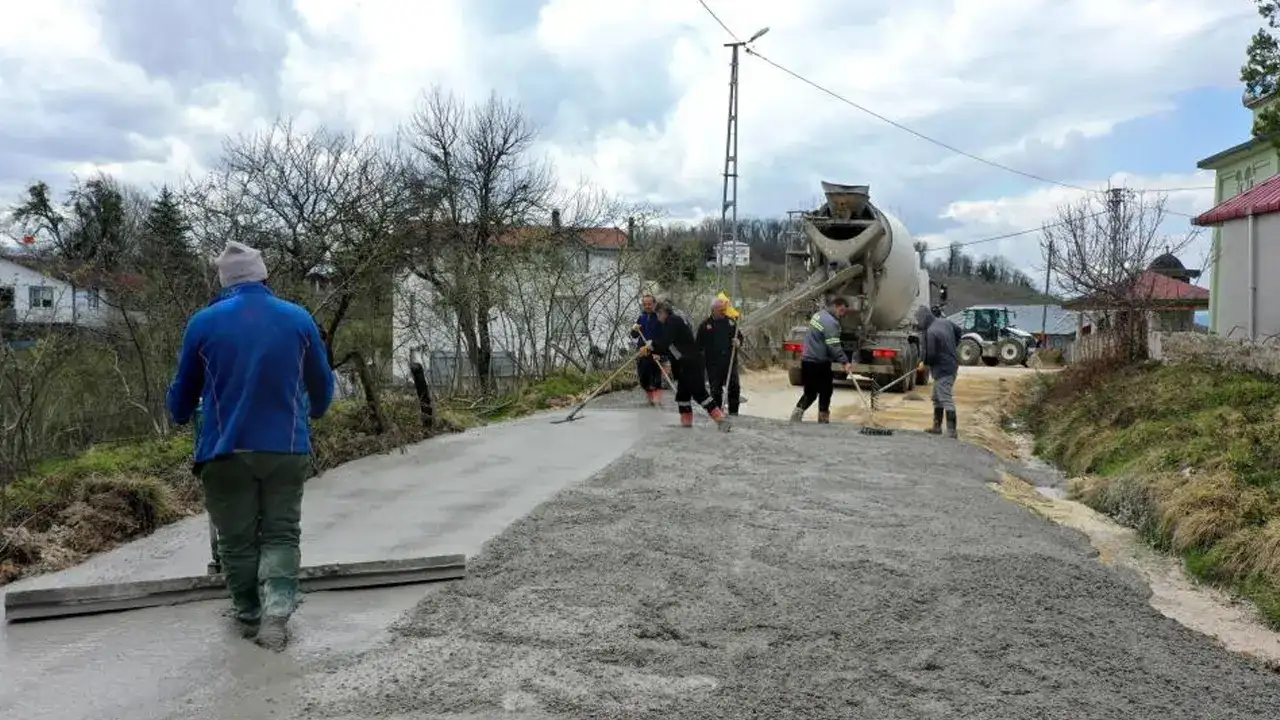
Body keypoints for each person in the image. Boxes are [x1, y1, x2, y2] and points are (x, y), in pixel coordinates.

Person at [166, 241, 335, 651]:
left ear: (224, 282)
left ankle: (249, 613)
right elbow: (323, 388)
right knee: (281, 533)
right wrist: (311, 412)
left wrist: (181, 412)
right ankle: (277, 612)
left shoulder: (203, 324)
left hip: (226, 452)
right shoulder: (298, 319)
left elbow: (182, 396)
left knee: (236, 541)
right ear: (264, 277)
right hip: (286, 449)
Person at [644, 299, 730, 431]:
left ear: (663, 312)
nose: (658, 318)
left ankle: (720, 419)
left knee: (699, 393)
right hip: (683, 364)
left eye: (658, 315)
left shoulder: (673, 321)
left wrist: (652, 346)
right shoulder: (671, 322)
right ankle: (686, 424)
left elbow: (666, 341)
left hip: (691, 363)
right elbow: (671, 347)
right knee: (683, 395)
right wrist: (656, 351)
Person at [791, 297, 853, 424]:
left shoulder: (819, 315)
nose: (842, 315)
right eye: (841, 311)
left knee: (810, 392)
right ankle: (823, 418)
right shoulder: (831, 322)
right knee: (826, 390)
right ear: (835, 306)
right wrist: (845, 362)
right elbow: (834, 345)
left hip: (807, 360)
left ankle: (796, 415)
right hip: (819, 362)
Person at [916, 305, 962, 438]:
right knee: (937, 397)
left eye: (919, 320)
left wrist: (924, 364)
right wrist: (953, 346)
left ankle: (952, 432)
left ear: (924, 318)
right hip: (950, 365)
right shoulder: (945, 322)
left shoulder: (931, 331)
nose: (919, 323)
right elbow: (958, 330)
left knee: (945, 398)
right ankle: (936, 427)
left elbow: (930, 354)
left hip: (944, 369)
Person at [697, 296, 742, 416]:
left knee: (734, 387)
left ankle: (734, 412)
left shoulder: (731, 322)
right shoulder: (705, 325)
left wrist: (738, 342)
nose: (723, 312)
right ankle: (717, 413)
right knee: (716, 390)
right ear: (713, 310)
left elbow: (739, 336)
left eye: (724, 309)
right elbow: (698, 346)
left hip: (730, 362)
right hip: (713, 364)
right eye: (720, 310)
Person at [629, 294, 664, 405]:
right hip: (642, 352)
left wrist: (653, 345)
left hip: (655, 353)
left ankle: (657, 402)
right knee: (643, 378)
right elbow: (634, 335)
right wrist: (634, 329)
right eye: (645, 304)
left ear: (654, 304)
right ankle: (650, 399)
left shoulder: (660, 317)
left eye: (649, 304)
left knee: (656, 380)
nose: (647, 306)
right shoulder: (641, 317)